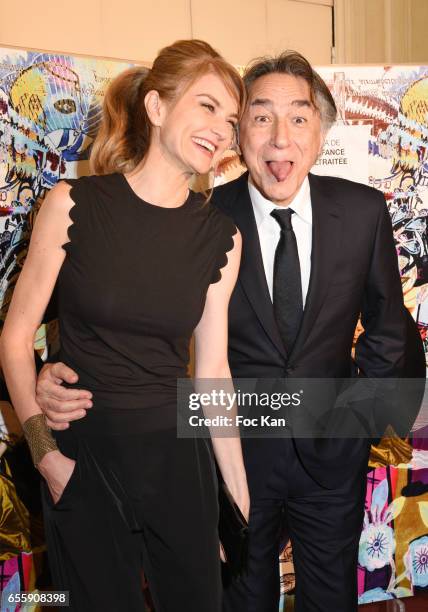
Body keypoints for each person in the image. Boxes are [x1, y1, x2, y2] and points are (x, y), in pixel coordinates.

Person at [34, 51, 425, 612]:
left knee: (332, 596)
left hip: (330, 460)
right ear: (238, 136)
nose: (280, 138)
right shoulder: (204, 217)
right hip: (229, 455)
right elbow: (128, 316)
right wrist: (52, 373)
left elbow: (390, 330)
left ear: (320, 129)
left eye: (298, 116)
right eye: (261, 117)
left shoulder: (362, 211)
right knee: (239, 598)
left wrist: (354, 423)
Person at [0, 39, 250, 612]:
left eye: (231, 120)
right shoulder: (72, 204)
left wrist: (237, 497)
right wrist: (46, 457)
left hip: (178, 465)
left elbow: (212, 372)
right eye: (207, 106)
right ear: (156, 107)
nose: (222, 129)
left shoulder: (223, 239)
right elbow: (15, 339)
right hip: (83, 459)